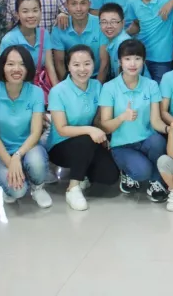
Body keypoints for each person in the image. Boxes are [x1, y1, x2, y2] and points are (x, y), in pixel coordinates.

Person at [47, 45, 119, 211]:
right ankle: (73, 188)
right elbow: (62, 129)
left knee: (109, 176)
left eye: (87, 64)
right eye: (76, 64)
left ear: (93, 65)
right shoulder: (58, 91)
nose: (82, 69)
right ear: (68, 66)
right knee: (85, 140)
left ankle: (82, 172)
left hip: (88, 143)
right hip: (60, 146)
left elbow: (98, 120)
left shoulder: (97, 86)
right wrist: (90, 130)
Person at [0, 45, 52, 207]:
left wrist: (17, 156)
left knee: (37, 163)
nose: (16, 69)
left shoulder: (35, 92)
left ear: (28, 68)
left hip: (28, 147)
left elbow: (36, 132)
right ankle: (11, 184)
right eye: (10, 64)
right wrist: (10, 161)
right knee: (18, 191)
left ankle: (38, 187)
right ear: (2, 67)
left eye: (22, 64)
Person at [99, 39, 169, 201]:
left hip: (146, 141)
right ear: (120, 61)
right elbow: (105, 126)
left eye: (137, 58)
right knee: (142, 171)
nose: (133, 63)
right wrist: (122, 117)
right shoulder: (109, 88)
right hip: (122, 145)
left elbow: (156, 121)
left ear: (143, 61)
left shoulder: (151, 85)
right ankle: (128, 172)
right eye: (127, 59)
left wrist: (168, 129)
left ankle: (156, 181)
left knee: (158, 141)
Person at [125, 0, 173, 83]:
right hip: (139, 57)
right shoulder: (132, 1)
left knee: (162, 92)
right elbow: (135, 24)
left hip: (163, 59)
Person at [0, 0, 59, 89]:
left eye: (35, 10)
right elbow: (6, 73)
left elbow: (50, 66)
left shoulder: (44, 34)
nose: (31, 15)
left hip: (40, 86)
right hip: (17, 87)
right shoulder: (9, 40)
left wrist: (57, 90)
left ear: (41, 12)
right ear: (17, 15)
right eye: (25, 11)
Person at [51, 0, 107, 83]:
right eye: (73, 4)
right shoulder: (59, 27)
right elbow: (59, 63)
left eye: (83, 3)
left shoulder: (100, 24)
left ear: (89, 4)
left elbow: (104, 62)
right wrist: (69, 86)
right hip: (72, 78)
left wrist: (97, 87)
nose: (79, 8)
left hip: (97, 77)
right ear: (66, 5)